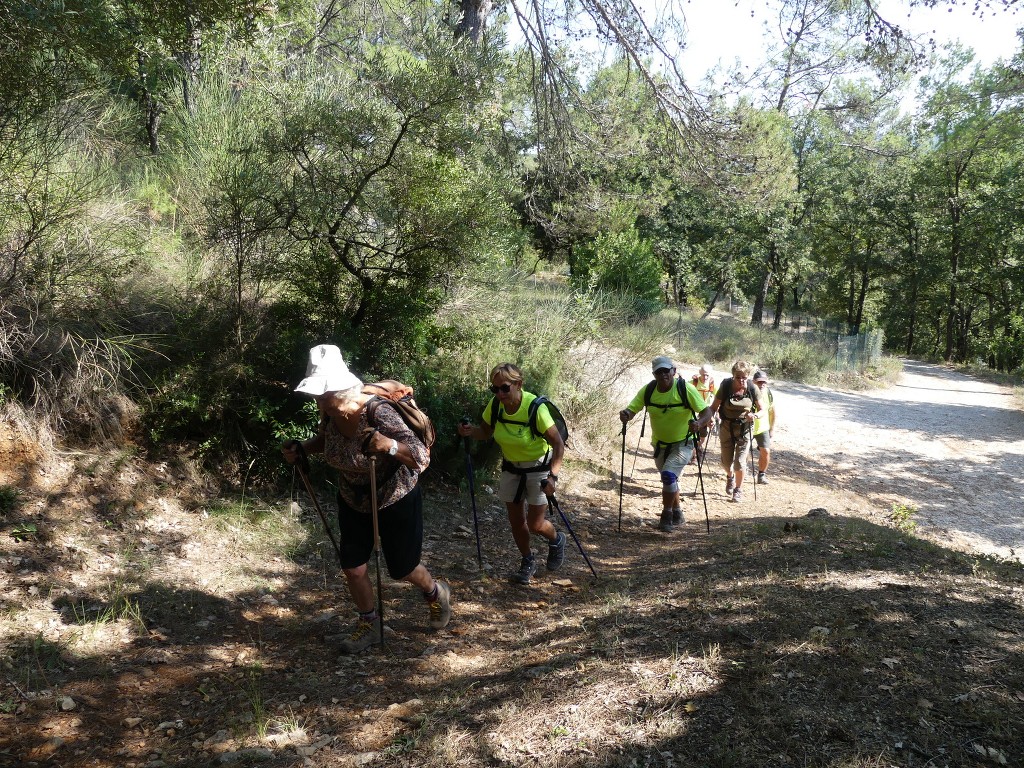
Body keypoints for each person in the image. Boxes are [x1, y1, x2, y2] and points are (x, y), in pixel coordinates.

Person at [282, 344, 451, 653]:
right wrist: (303, 448)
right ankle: (369, 624)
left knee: (403, 568)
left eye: (324, 395)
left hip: (395, 497)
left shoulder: (378, 412)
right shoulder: (331, 413)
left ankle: (435, 592)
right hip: (352, 498)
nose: (319, 401)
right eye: (318, 396)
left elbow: (420, 456)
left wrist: (388, 445)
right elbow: (329, 442)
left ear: (343, 389)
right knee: (353, 567)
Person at [457, 363, 566, 584]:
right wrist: (469, 432)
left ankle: (556, 539)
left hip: (538, 469)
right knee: (516, 522)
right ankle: (528, 560)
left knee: (535, 524)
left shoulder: (535, 407)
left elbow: (558, 443)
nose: (499, 394)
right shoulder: (495, 406)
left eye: (504, 388)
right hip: (511, 468)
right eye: (494, 389)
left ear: (518, 384)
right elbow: (485, 433)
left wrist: (553, 477)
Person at [619, 355, 711, 532]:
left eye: (666, 371)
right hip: (659, 445)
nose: (663, 375)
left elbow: (706, 411)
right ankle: (678, 512)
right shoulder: (648, 390)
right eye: (658, 372)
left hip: (683, 443)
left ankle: (666, 515)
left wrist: (699, 424)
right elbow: (632, 409)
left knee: (668, 475)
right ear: (654, 374)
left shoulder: (685, 389)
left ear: (673, 371)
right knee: (670, 480)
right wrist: (626, 415)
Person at [693, 360, 764, 503]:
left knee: (739, 462)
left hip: (744, 429)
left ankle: (738, 489)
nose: (741, 380)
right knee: (726, 462)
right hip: (726, 427)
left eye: (744, 377)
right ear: (733, 376)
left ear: (748, 376)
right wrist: (709, 418)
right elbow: (713, 407)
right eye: (738, 377)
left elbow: (762, 410)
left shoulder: (752, 388)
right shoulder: (726, 386)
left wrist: (754, 415)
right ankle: (729, 476)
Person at [690, 363, 717, 464]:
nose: (705, 377)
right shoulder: (693, 382)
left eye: (707, 375)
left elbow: (718, 398)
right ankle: (694, 456)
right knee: (693, 434)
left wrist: (715, 414)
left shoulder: (712, 384)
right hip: (693, 412)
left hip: (705, 413)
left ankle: (696, 450)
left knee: (702, 437)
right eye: (703, 374)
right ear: (700, 373)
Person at [752, 369, 776, 484]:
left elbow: (772, 412)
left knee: (766, 451)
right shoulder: (748, 391)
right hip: (748, 426)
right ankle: (743, 470)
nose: (762, 384)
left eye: (764, 382)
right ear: (754, 382)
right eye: (759, 382)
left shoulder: (768, 393)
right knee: (744, 450)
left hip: (763, 427)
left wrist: (772, 429)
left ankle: (761, 475)